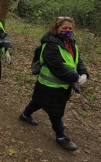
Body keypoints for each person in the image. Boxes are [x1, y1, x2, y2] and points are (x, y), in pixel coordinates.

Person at [18, 17, 89, 151]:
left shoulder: (70, 43)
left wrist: (83, 73)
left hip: (60, 85)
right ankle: (61, 137)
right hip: (50, 85)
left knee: (38, 101)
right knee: (55, 112)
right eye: (64, 28)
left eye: (70, 28)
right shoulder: (50, 45)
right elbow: (58, 68)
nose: (68, 31)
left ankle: (25, 115)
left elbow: (78, 61)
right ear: (56, 29)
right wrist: (76, 78)